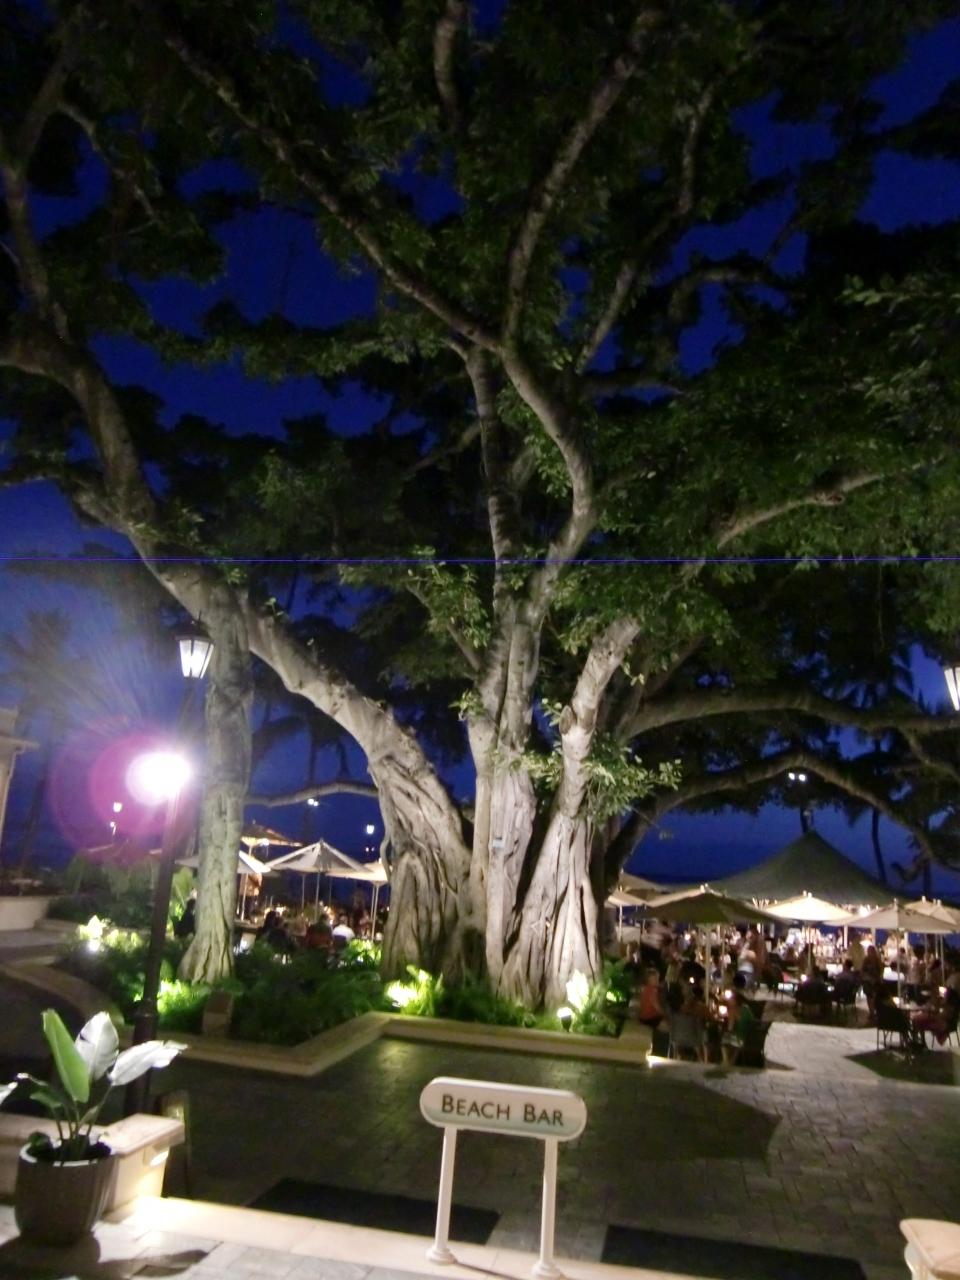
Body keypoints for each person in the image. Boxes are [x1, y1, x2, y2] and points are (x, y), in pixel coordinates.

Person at [721, 990, 755, 1066]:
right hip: (747, 1037)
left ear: (735, 1001)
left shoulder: (734, 1010)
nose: (729, 1000)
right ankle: (731, 1061)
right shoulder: (747, 1009)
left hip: (738, 1038)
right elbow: (752, 1022)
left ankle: (726, 1061)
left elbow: (730, 1028)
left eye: (731, 999)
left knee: (724, 1041)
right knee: (732, 1041)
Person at [861, 944, 884, 1018]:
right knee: (869, 996)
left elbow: (881, 970)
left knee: (874, 997)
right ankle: (871, 1012)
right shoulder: (866, 960)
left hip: (875, 981)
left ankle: (873, 1011)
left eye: (871, 951)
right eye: (869, 951)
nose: (870, 953)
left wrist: (877, 977)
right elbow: (862, 970)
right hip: (868, 981)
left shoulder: (877, 960)